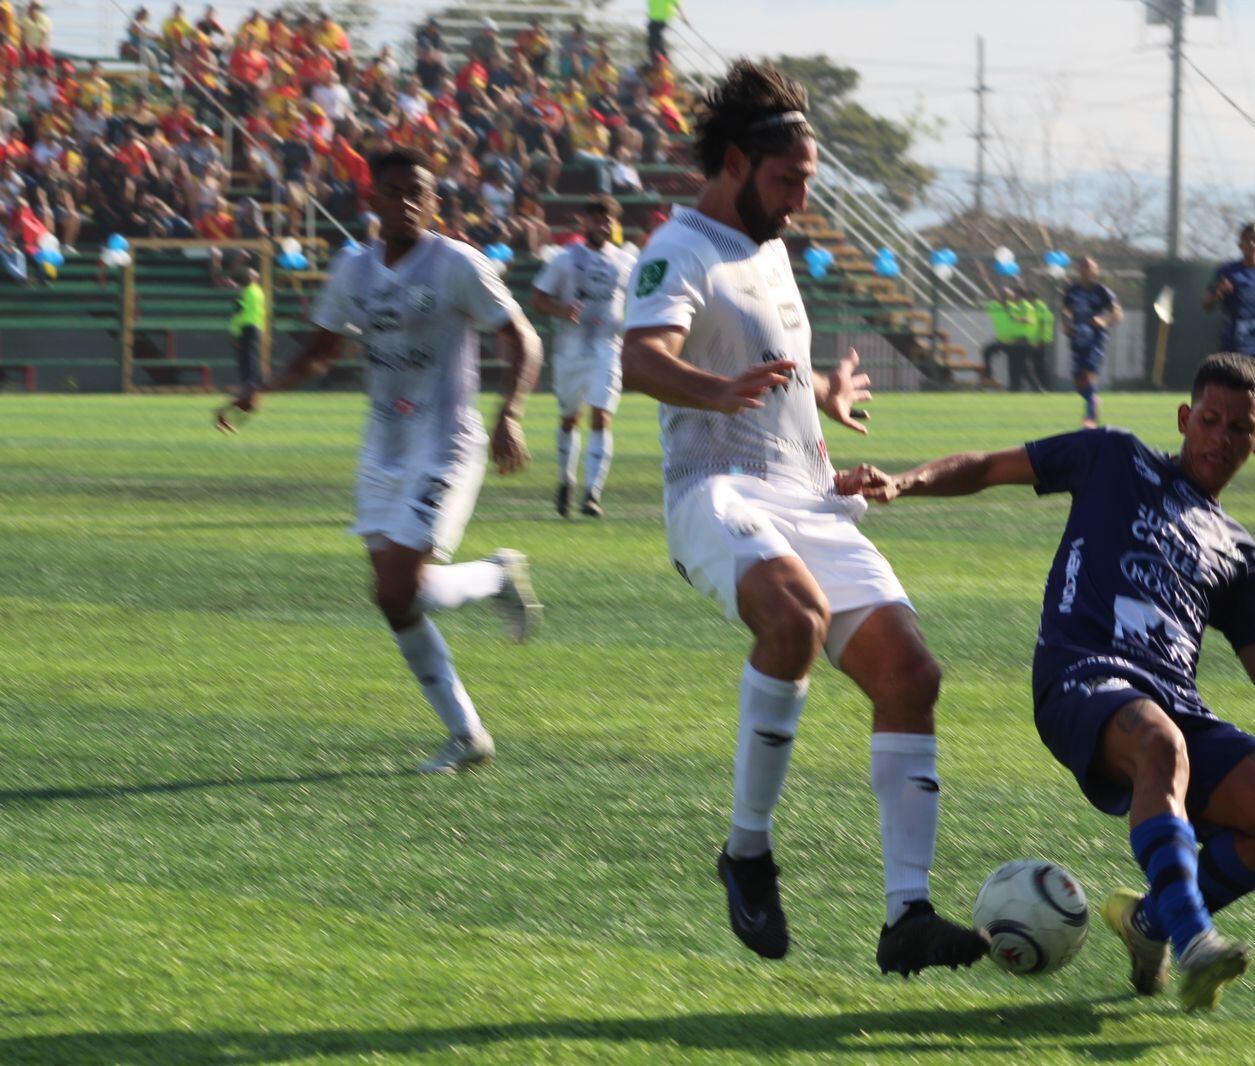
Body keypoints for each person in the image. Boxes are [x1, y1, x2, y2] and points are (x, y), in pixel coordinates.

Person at [835, 353, 1255, 1011]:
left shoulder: (1240, 554)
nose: (1220, 438)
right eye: (1209, 420)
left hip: (1174, 702)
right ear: (1185, 418)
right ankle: (1194, 937)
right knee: (1160, 742)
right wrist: (905, 482)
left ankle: (1149, 923)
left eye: (1239, 429)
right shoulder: (1114, 457)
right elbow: (988, 466)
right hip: (1080, 675)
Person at [619, 59, 987, 976]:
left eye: (808, 184)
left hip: (807, 494)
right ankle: (747, 851)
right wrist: (721, 390)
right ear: (738, 163)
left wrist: (819, 392)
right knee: (795, 619)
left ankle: (907, 915)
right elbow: (642, 360)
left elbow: (764, 360)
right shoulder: (679, 246)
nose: (799, 202)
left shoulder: (771, 248)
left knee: (911, 672)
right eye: (789, 182)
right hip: (716, 491)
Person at [216, 147, 547, 775]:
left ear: (434, 203)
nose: (405, 203)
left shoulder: (456, 265)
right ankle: (468, 731)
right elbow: (320, 351)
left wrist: (512, 414)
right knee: (396, 599)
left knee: (396, 586)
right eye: (392, 192)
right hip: (383, 446)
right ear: (371, 201)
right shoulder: (354, 269)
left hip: (446, 442)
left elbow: (522, 338)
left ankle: (496, 583)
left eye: (416, 193)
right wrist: (264, 388)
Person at [531, 194, 634, 519]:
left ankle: (592, 493)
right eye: (596, 219)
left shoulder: (625, 262)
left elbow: (638, 299)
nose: (602, 225)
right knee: (569, 417)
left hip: (607, 348)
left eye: (607, 220)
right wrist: (561, 310)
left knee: (602, 416)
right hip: (570, 350)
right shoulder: (565, 258)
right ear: (585, 222)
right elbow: (537, 297)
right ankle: (566, 480)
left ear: (614, 225)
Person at [1203, 223, 1255, 379]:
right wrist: (1218, 292)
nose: (1252, 244)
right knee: (1236, 390)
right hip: (1235, 344)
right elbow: (1206, 304)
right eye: (1247, 240)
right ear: (1240, 244)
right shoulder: (1227, 271)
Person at [1061, 255, 1122, 427]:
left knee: (1088, 372)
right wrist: (1066, 323)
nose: (1087, 270)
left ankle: (1090, 416)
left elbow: (1117, 313)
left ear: (1096, 270)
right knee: (1077, 380)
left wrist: (1104, 320)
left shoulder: (1102, 291)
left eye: (1090, 267)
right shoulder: (1072, 290)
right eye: (1083, 267)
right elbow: (1066, 310)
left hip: (1095, 338)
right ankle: (1092, 398)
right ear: (1079, 270)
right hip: (1077, 336)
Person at [229, 266, 264, 386]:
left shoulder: (244, 292)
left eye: (250, 275)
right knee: (251, 356)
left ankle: (248, 382)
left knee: (246, 356)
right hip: (255, 327)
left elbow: (238, 313)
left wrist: (234, 332)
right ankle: (252, 382)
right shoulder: (259, 292)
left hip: (248, 327)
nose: (248, 277)